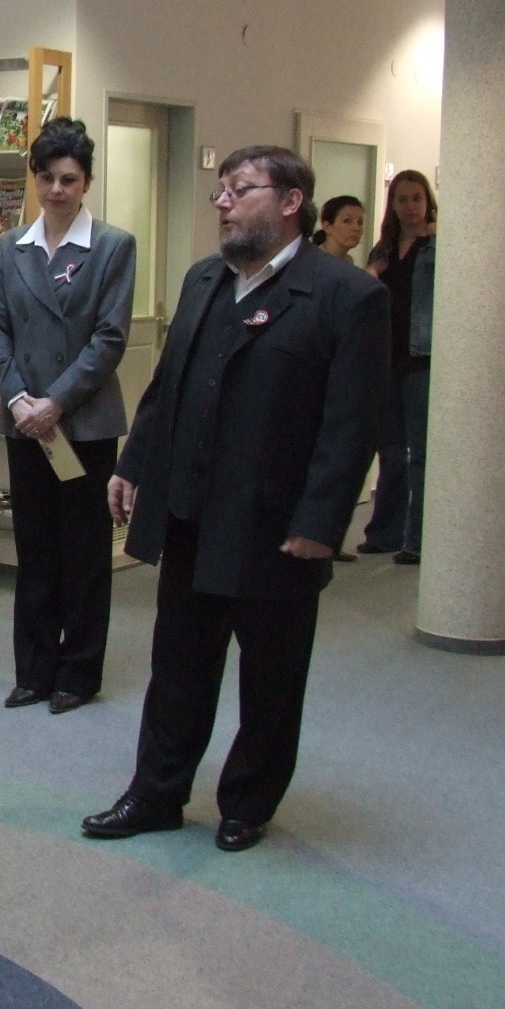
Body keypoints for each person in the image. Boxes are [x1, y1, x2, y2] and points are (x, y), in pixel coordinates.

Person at [87, 145, 387, 851]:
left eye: (240, 190)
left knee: (271, 679)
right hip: (192, 513)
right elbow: (167, 387)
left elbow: (352, 424)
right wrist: (133, 463)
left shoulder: (346, 296)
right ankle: (156, 793)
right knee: (177, 669)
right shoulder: (205, 280)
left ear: (291, 202)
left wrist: (321, 521)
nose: (222, 203)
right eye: (220, 191)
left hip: (278, 527)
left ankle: (248, 803)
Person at [0, 117, 135, 715]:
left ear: (86, 181)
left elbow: (109, 337)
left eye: (68, 179)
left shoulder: (112, 246)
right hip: (25, 424)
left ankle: (78, 673)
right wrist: (19, 398)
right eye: (46, 178)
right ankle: (34, 670)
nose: (56, 190)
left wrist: (56, 403)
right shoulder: (11, 246)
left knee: (85, 551)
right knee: (35, 546)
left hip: (82, 424)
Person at [357, 169, 436, 564]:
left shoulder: (438, 246)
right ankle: (385, 533)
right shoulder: (383, 249)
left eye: (416, 198)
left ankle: (416, 540)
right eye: (402, 199)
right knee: (389, 452)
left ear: (428, 201)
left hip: (422, 358)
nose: (410, 206)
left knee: (420, 454)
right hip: (385, 359)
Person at [312, 195, 366, 263]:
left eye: (360, 222)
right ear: (327, 226)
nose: (356, 228)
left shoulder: (348, 261)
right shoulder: (313, 260)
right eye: (347, 221)